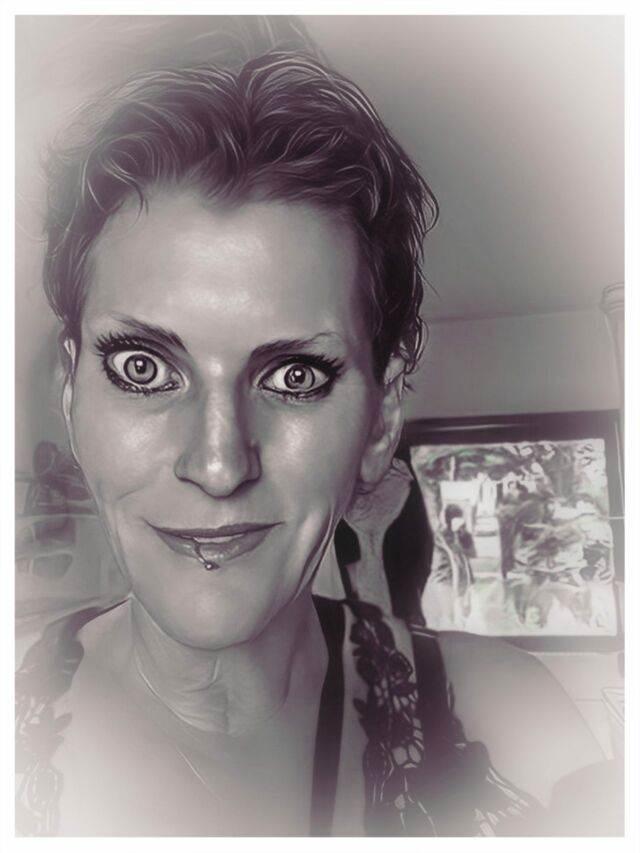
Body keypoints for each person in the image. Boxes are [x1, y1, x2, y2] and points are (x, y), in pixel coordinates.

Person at [16, 39, 610, 838]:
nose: (219, 464)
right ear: (70, 393)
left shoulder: (513, 726)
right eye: (143, 368)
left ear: (381, 418)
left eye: (294, 376)